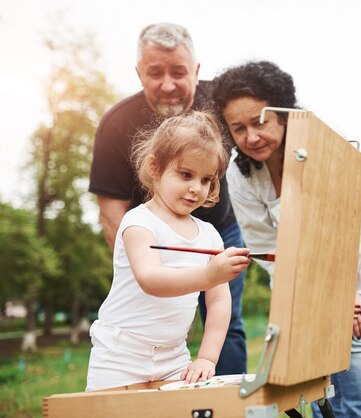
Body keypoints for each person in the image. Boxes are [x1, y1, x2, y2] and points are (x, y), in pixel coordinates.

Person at [212, 60, 361, 418]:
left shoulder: (323, 142)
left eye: (259, 122)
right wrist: (294, 305)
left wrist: (342, 293)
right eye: (238, 129)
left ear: (283, 113)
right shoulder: (240, 174)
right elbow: (268, 249)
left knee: (343, 331)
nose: (251, 137)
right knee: (307, 342)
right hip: (298, 264)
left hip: (354, 245)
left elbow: (347, 226)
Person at [88, 23, 247, 375]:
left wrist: (204, 355)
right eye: (155, 73)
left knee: (229, 320)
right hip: (125, 350)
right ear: (139, 73)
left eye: (207, 179)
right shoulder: (117, 125)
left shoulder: (223, 101)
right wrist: (141, 260)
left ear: (196, 70)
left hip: (218, 227)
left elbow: (217, 295)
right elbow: (115, 218)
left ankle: (225, 396)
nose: (168, 84)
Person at [85, 111, 251, 391]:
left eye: (206, 179)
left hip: (175, 358)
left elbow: (220, 302)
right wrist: (210, 274)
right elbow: (151, 279)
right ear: (155, 167)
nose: (195, 188)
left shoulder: (210, 235)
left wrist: (208, 358)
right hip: (118, 357)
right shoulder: (139, 221)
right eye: (186, 174)